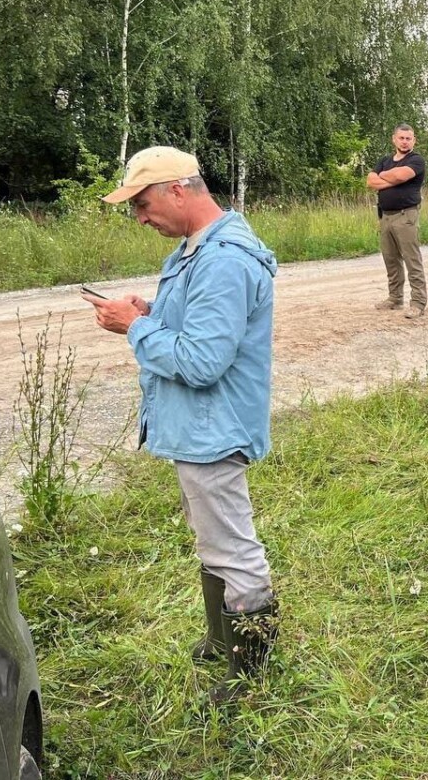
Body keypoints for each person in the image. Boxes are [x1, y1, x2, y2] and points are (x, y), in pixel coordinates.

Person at [83, 146, 278, 704]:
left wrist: (135, 330)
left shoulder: (224, 260)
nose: (141, 218)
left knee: (232, 549)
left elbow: (200, 361)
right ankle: (223, 641)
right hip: (197, 428)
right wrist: (150, 313)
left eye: (143, 204)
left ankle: (250, 672)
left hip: (214, 429)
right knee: (211, 539)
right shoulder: (197, 250)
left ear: (177, 190)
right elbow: (194, 328)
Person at [367, 123, 427, 319]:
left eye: (408, 138)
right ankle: (395, 298)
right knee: (390, 259)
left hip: (406, 215)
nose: (404, 141)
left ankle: (418, 302)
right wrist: (390, 178)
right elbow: (370, 181)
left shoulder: (416, 160)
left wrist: (384, 177)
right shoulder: (385, 160)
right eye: (401, 138)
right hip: (386, 216)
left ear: (413, 140)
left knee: (412, 259)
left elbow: (402, 175)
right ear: (394, 139)